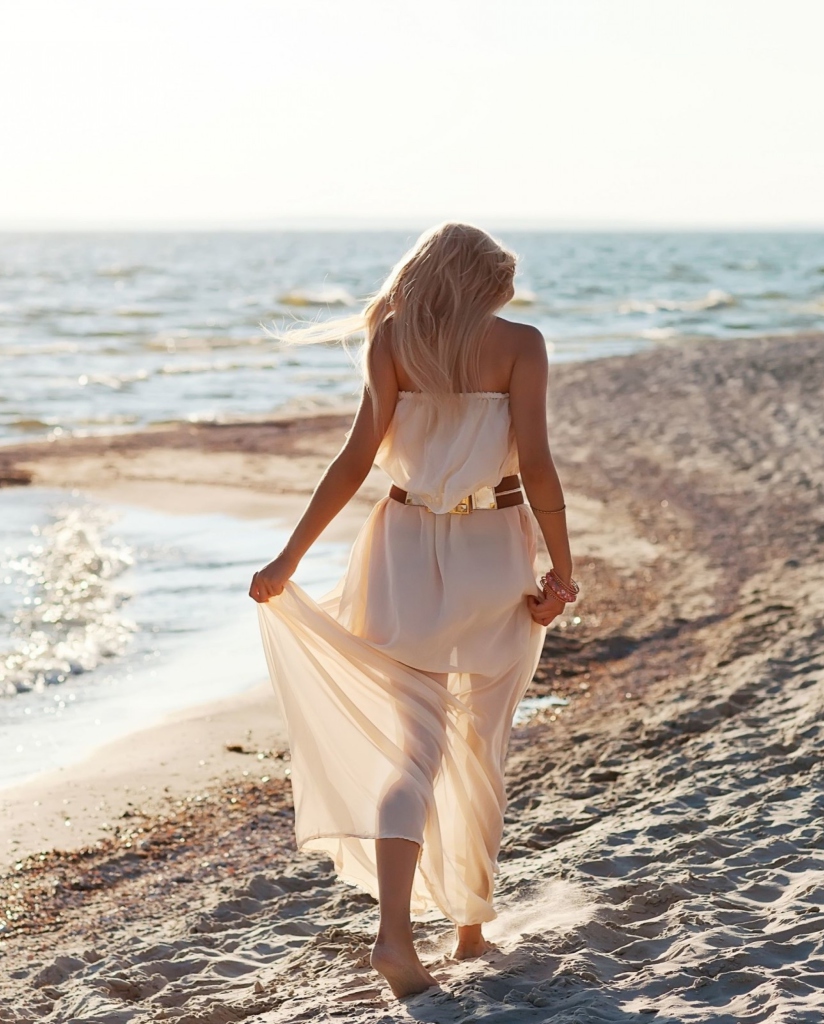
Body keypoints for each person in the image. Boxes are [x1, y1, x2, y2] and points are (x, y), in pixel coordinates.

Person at [249, 223, 577, 999]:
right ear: (483, 281)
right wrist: (564, 570)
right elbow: (536, 463)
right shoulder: (521, 344)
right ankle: (468, 929)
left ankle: (396, 935)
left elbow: (355, 459)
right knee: (481, 742)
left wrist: (288, 559)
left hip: (398, 548)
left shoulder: (392, 339)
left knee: (415, 752)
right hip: (492, 548)